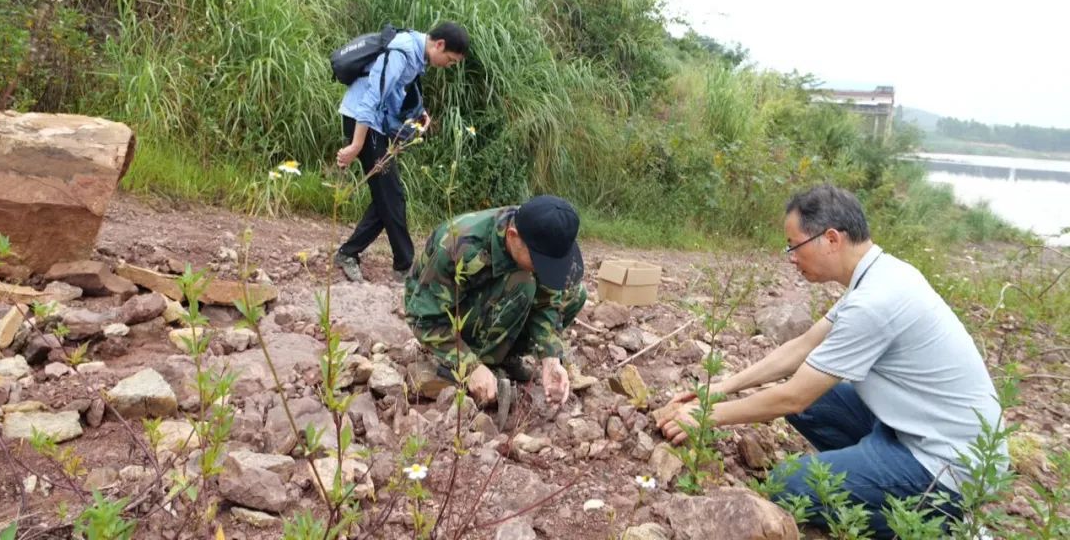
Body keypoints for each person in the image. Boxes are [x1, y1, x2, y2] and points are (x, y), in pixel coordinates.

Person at [656, 184, 1004, 538]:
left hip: (946, 464)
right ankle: (871, 473)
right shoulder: (878, 275)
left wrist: (703, 419)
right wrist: (717, 391)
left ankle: (944, 522)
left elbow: (795, 395)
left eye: (795, 245)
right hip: (912, 428)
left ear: (832, 239)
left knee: (786, 485)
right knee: (812, 404)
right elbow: (802, 347)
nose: (791, 256)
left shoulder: (876, 301)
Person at [404, 195, 588, 406]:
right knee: (523, 282)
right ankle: (476, 363)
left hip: (493, 298)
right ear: (512, 236)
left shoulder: (540, 233)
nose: (543, 269)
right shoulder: (458, 245)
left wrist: (550, 358)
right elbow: (422, 317)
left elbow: (548, 301)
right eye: (541, 262)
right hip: (441, 310)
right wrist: (470, 365)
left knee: (575, 293)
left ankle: (506, 357)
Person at [334, 21, 470, 282]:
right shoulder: (403, 51)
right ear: (439, 45)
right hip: (363, 122)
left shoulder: (417, 54)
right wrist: (356, 145)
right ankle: (403, 266)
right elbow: (372, 97)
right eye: (450, 60)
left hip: (372, 124)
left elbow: (396, 91)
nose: (448, 66)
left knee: (387, 197)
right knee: (392, 195)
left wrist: (419, 114)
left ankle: (350, 253)